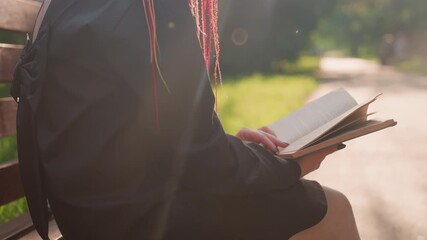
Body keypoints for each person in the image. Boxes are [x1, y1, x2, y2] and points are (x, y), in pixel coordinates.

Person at [12, 0, 360, 239]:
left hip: (89, 212)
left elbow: (163, 137)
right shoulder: (151, 9)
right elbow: (200, 158)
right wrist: (288, 164)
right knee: (333, 209)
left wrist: (236, 149)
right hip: (131, 222)